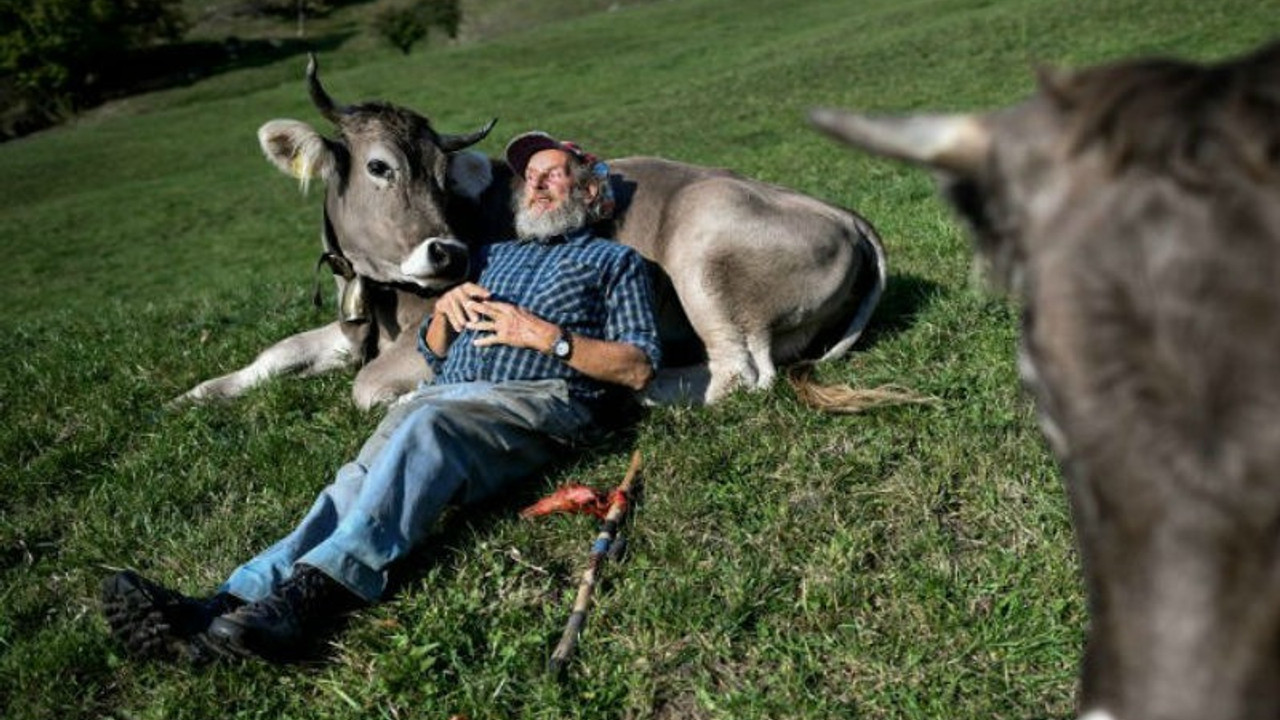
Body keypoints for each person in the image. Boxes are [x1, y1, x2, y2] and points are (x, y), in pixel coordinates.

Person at [101, 132, 662, 663]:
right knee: (352, 482)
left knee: (427, 427)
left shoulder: (616, 264)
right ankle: (222, 605)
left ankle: (317, 596)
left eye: (552, 176)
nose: (534, 186)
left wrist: (547, 337)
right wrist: (444, 316)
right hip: (450, 396)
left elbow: (637, 368)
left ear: (590, 192)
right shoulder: (491, 257)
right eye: (529, 177)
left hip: (539, 402)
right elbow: (435, 353)